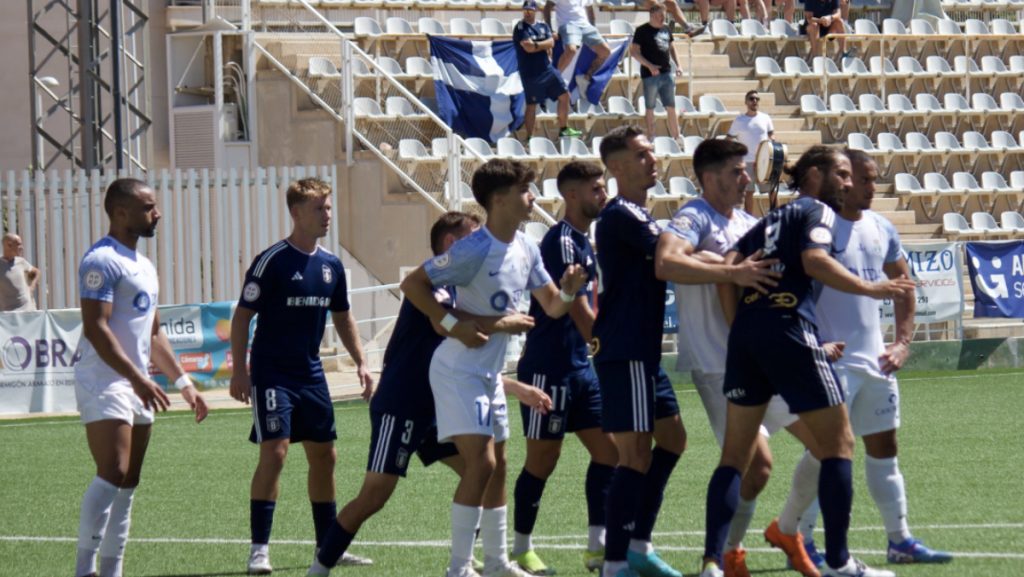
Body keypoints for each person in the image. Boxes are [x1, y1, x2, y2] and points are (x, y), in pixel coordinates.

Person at [700, 146, 916, 577]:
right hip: (788, 329)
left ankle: (712, 563)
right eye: (841, 174)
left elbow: (728, 266)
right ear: (814, 175)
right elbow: (814, 261)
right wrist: (871, 289)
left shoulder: (772, 219)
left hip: (747, 339)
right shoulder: (815, 212)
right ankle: (838, 563)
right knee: (840, 446)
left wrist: (738, 323)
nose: (849, 183)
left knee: (734, 457)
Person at [307, 211, 554, 576]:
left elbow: (462, 364)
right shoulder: (436, 287)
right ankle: (320, 567)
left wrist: (516, 387)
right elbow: (450, 327)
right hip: (402, 403)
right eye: (473, 236)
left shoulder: (468, 285)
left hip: (440, 403)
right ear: (453, 245)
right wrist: (506, 322)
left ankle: (475, 564)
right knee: (375, 494)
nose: (481, 243)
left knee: (483, 472)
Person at [594, 125, 779, 577]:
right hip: (626, 349)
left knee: (673, 440)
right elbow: (672, 255)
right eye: (641, 155)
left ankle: (638, 546)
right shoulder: (621, 214)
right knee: (634, 454)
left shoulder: (642, 215)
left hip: (645, 351)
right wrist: (732, 268)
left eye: (652, 152)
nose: (653, 160)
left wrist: (729, 262)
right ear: (616, 168)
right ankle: (615, 561)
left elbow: (693, 252)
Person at [401, 158, 588, 577]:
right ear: (500, 200)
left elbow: (553, 306)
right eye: (526, 191)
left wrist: (572, 292)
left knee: (499, 465)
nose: (533, 198)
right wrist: (454, 326)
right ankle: (458, 568)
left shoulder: (526, 247)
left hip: (489, 373)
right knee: (481, 464)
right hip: (457, 370)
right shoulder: (474, 249)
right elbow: (413, 285)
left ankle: (498, 562)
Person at [787, 149, 952, 566]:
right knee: (824, 452)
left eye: (870, 179)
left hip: (874, 361)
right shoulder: (816, 228)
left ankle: (899, 540)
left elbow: (904, 284)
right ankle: (799, 540)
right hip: (831, 361)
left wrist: (901, 343)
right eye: (860, 179)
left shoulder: (881, 227)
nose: (867, 187)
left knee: (885, 449)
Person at [666, 139, 822, 577]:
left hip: (766, 357)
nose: (746, 177)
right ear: (710, 177)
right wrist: (728, 270)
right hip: (718, 361)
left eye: (746, 170)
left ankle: (775, 533)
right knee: (752, 463)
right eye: (737, 171)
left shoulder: (750, 222)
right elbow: (666, 262)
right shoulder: (693, 216)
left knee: (827, 446)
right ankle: (716, 559)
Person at [229, 177, 375, 575]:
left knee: (325, 456)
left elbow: (343, 317)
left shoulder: (330, 266)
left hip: (312, 374)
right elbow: (242, 317)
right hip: (272, 373)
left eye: (328, 208)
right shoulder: (271, 261)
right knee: (275, 453)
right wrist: (239, 370)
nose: (327, 215)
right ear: (296, 213)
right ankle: (259, 549)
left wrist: (361, 362)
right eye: (319, 209)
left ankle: (329, 546)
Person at [73, 178, 208, 577]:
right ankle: (85, 569)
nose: (158, 214)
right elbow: (97, 328)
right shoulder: (101, 261)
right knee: (113, 469)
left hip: (137, 381)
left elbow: (153, 332)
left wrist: (184, 384)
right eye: (149, 207)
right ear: (120, 213)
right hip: (105, 378)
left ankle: (113, 569)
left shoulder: (144, 265)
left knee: (130, 480)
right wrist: (135, 377)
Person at [511, 161, 618, 576]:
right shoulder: (561, 241)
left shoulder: (583, 241)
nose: (602, 195)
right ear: (571, 195)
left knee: (609, 452)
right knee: (542, 460)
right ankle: (520, 548)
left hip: (579, 369)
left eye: (603, 188)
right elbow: (572, 309)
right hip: (548, 368)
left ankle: (598, 546)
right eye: (595, 189)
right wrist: (602, 345)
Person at [514, 0, 582, 139]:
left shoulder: (543, 26)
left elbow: (551, 42)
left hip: (547, 69)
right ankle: (529, 137)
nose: (527, 13)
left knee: (564, 95)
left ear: (535, 11)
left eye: (530, 10)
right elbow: (528, 47)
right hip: (531, 73)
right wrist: (543, 45)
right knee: (532, 104)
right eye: (525, 10)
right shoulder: (520, 28)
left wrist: (537, 45)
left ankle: (563, 128)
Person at [631, 3, 684, 144]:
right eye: (661, 15)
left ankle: (676, 136)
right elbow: (634, 52)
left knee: (671, 106)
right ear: (653, 14)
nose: (663, 18)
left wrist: (679, 65)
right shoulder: (642, 31)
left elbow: (672, 48)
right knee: (650, 107)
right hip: (650, 75)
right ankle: (651, 135)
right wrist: (649, 66)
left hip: (666, 72)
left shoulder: (666, 29)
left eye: (664, 15)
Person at [543, 0, 612, 93]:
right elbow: (547, 7)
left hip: (585, 25)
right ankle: (553, 80)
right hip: (568, 24)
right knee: (571, 50)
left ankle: (585, 78)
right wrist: (549, 30)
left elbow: (590, 9)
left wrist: (593, 27)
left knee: (606, 52)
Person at [727, 90, 774, 213]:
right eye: (752, 99)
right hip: (747, 161)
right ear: (746, 102)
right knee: (749, 192)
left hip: (764, 161)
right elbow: (729, 138)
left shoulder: (765, 117)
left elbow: (771, 135)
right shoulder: (739, 120)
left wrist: (770, 147)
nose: (755, 101)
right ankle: (750, 221)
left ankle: (776, 217)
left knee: (772, 190)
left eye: (757, 99)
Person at [0, 232, 39, 312]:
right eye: (18, 244)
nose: (22, 247)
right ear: (9, 245)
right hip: (10, 316)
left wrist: (31, 287)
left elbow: (36, 272)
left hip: (29, 312)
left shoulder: (21, 262)